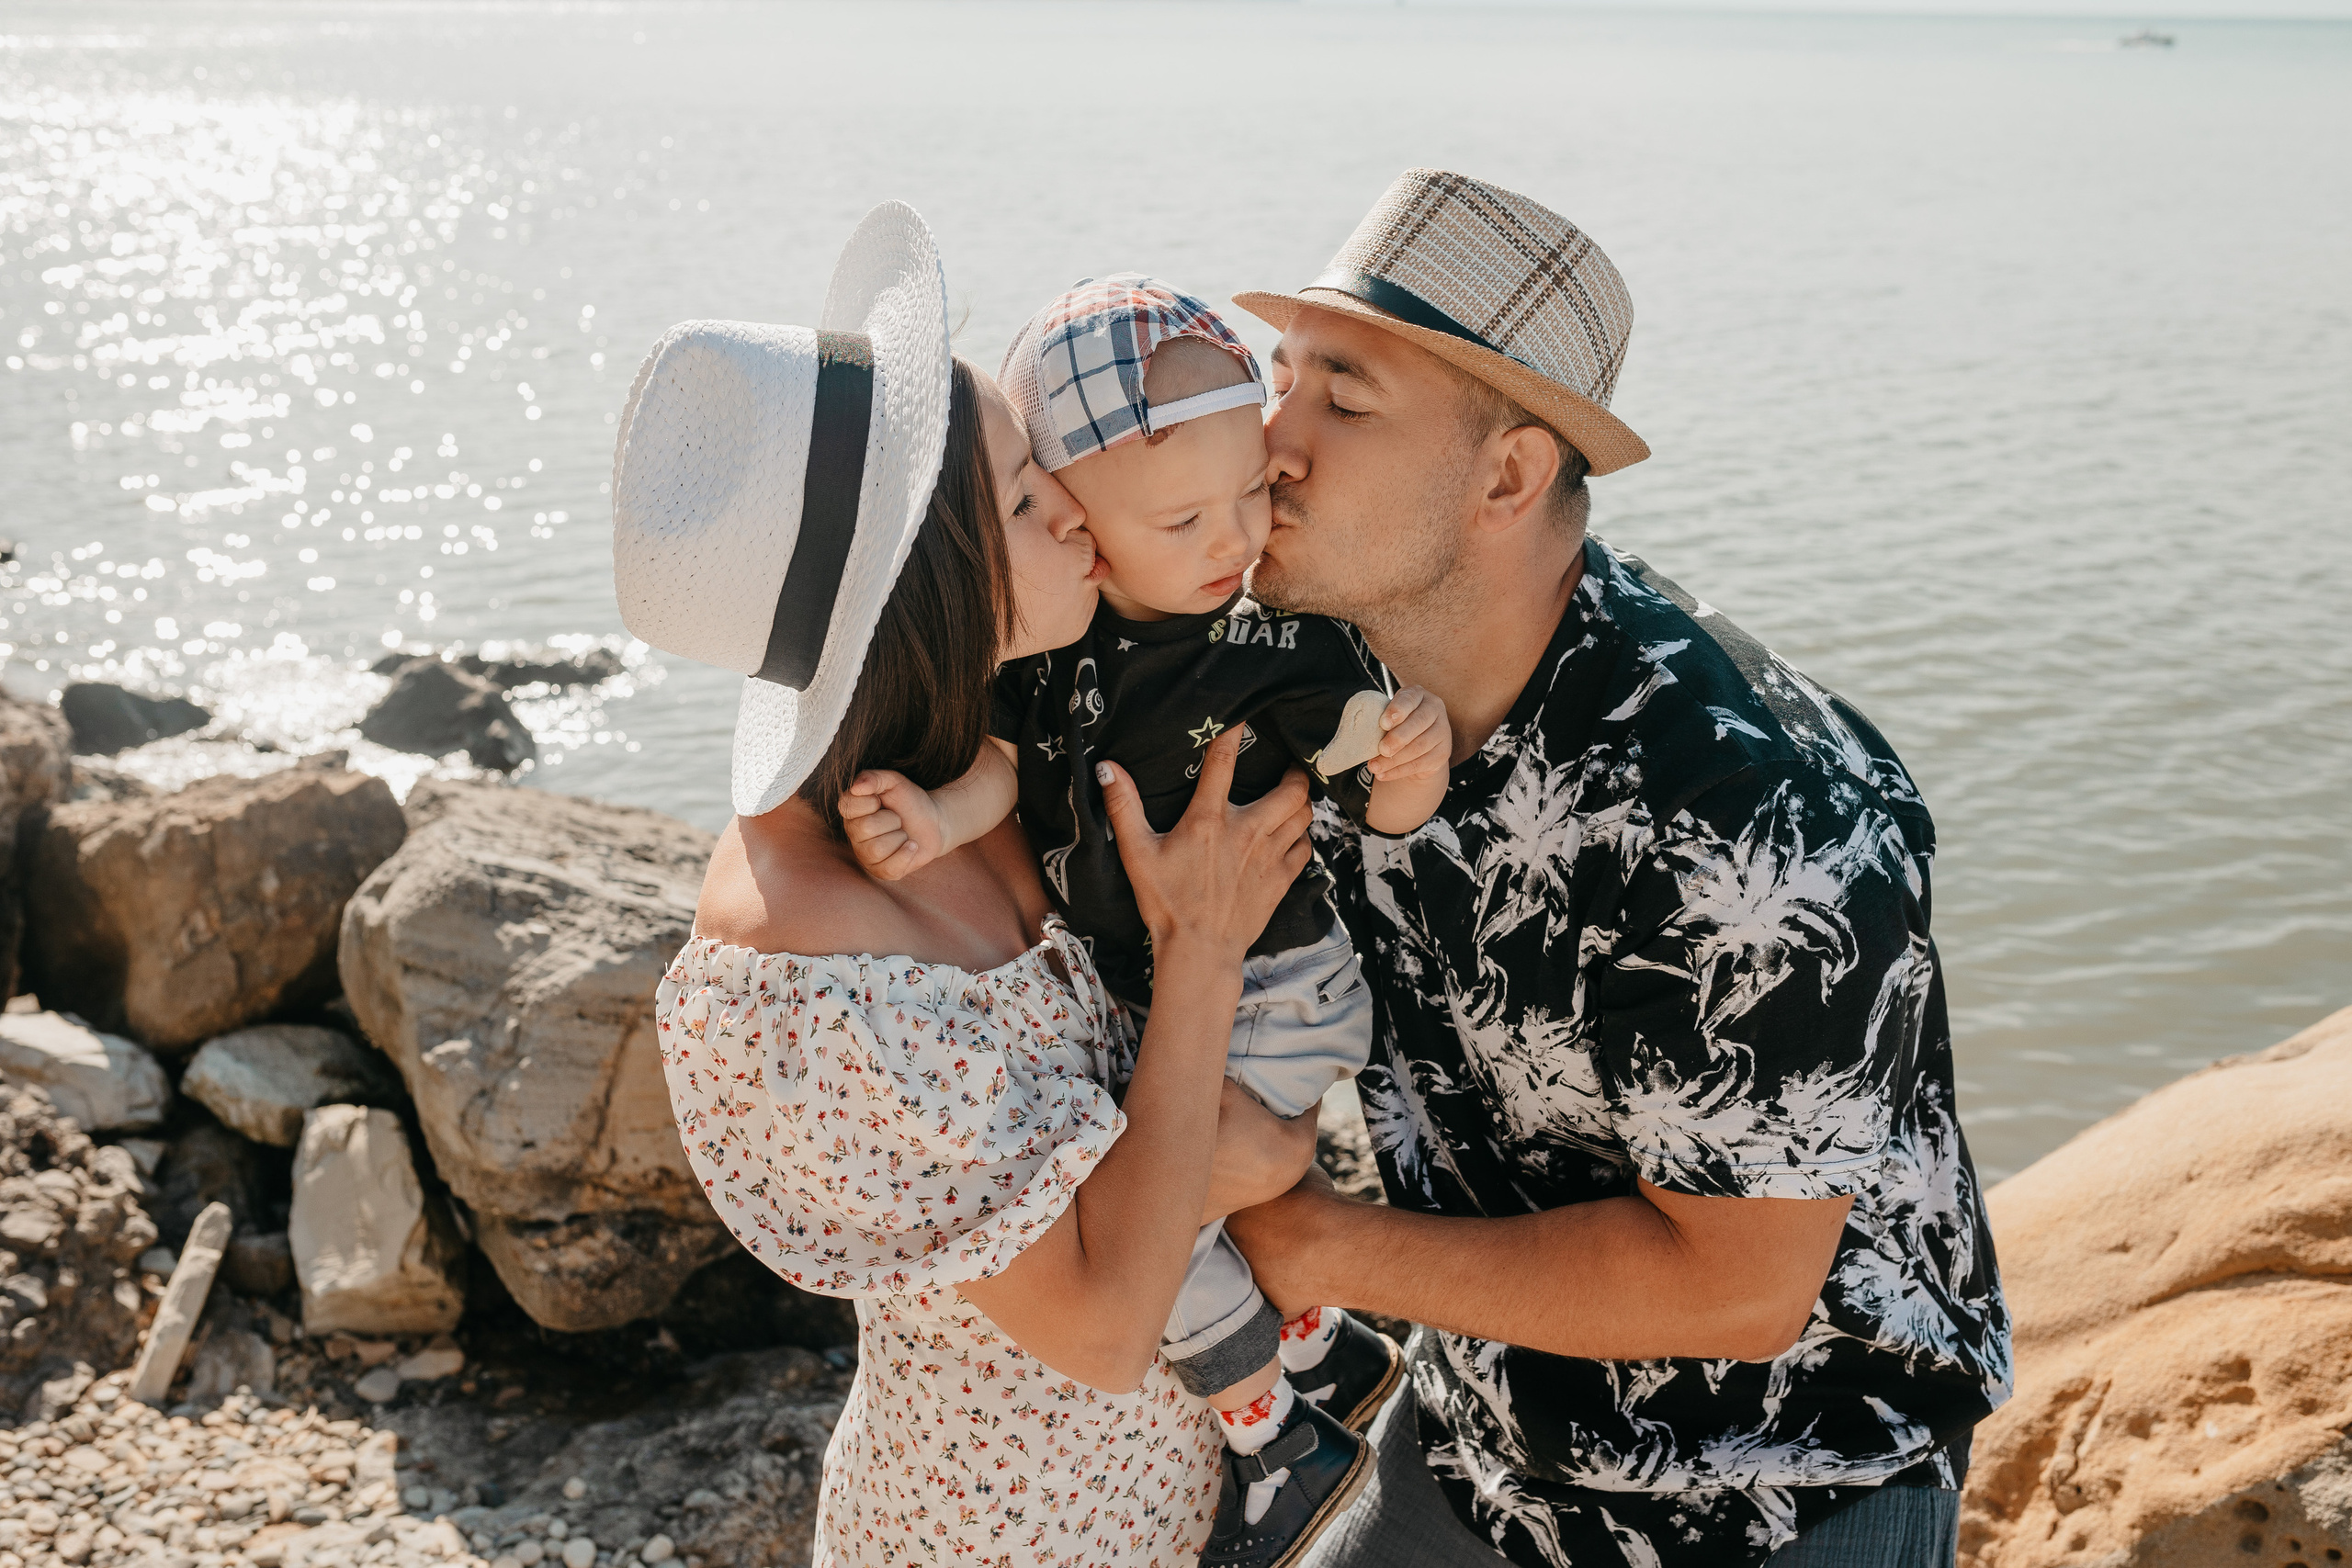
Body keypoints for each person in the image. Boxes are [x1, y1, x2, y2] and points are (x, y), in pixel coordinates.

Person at [1213, 169, 2015, 1568]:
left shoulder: (1750, 808)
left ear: (1510, 476)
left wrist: (1324, 1245)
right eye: (1281, 380)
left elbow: (1735, 1292)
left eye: (1343, 402)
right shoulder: (1323, 663)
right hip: (1483, 1437)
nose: (1270, 441)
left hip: (1778, 1492)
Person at [611, 203, 1318, 1567]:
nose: (1071, 506)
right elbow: (1109, 1321)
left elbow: (1176, 1160)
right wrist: (1208, 949)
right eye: (1018, 494)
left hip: (1173, 1507)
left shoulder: (976, 772)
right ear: (925, 582)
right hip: (1003, 1537)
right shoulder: (809, 976)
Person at [832, 275, 1453, 1568]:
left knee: (1154, 1216)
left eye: (1252, 497)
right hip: (1170, 985)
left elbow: (1375, 777)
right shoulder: (1050, 646)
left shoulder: (1266, 643)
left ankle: (1277, 1437)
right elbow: (1009, 768)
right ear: (1076, 521)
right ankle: (1315, 1359)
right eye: (1182, 516)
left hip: (1282, 983)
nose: (1232, 537)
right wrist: (945, 818)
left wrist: (1408, 759)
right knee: (1169, 1194)